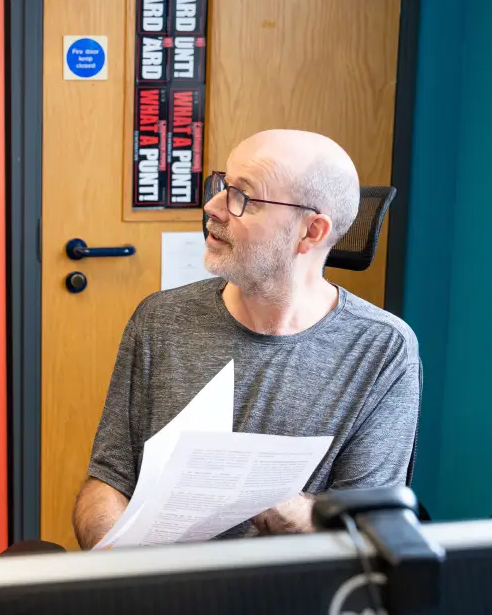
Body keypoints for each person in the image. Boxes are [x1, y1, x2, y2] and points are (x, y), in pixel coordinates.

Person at [73, 129, 422, 549]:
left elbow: (367, 531)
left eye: (243, 197)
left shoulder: (382, 349)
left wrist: (271, 502)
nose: (213, 207)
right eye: (222, 186)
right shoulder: (161, 319)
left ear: (311, 232)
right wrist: (112, 560)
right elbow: (108, 478)